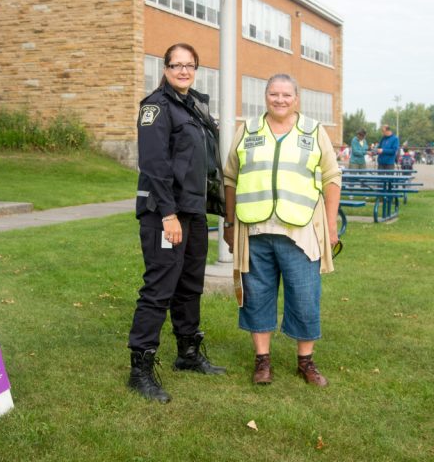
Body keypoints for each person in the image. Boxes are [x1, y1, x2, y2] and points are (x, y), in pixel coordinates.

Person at [222, 74, 341, 387]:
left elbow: (331, 178)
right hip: (254, 229)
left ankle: (306, 362)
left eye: (286, 95)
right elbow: (230, 179)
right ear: (265, 97)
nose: (280, 100)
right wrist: (230, 222)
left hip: (301, 231)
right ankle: (262, 362)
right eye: (274, 94)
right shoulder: (247, 130)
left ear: (296, 98)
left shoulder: (314, 132)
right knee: (255, 296)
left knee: (305, 296)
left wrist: (330, 226)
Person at [128, 42, 226, 403]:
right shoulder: (156, 107)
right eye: (176, 65)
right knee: (159, 289)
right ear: (165, 68)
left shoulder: (193, 107)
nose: (183, 71)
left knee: (189, 285)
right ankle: (140, 370)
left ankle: (187, 353)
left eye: (190, 65)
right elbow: (154, 165)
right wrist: (168, 214)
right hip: (165, 213)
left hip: (193, 212)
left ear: (196, 70)